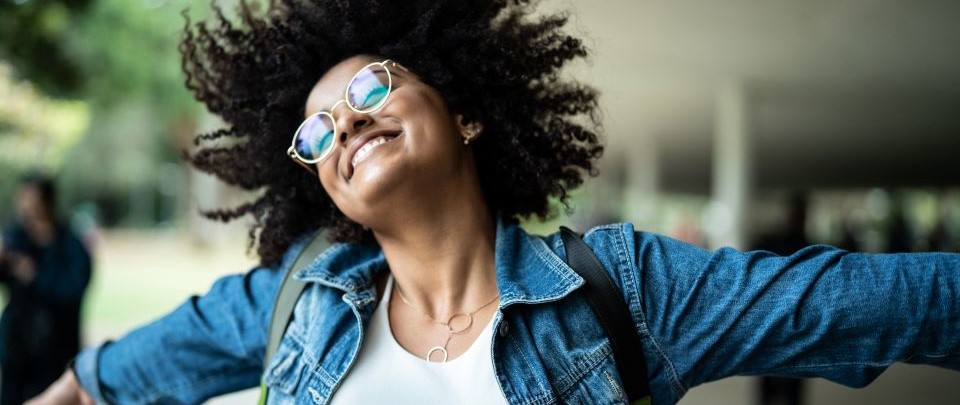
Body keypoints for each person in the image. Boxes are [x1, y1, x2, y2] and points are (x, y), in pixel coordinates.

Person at [29, 1, 960, 404]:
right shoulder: (297, 296)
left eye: (366, 93)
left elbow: (890, 304)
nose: (343, 130)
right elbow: (98, 383)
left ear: (467, 113)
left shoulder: (628, 293)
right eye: (315, 135)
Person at [0, 174, 92, 405]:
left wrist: (34, 276)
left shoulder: (71, 245)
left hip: (56, 349)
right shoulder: (15, 238)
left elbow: (73, 289)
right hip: (16, 347)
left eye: (31, 198)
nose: (26, 205)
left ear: (47, 201)